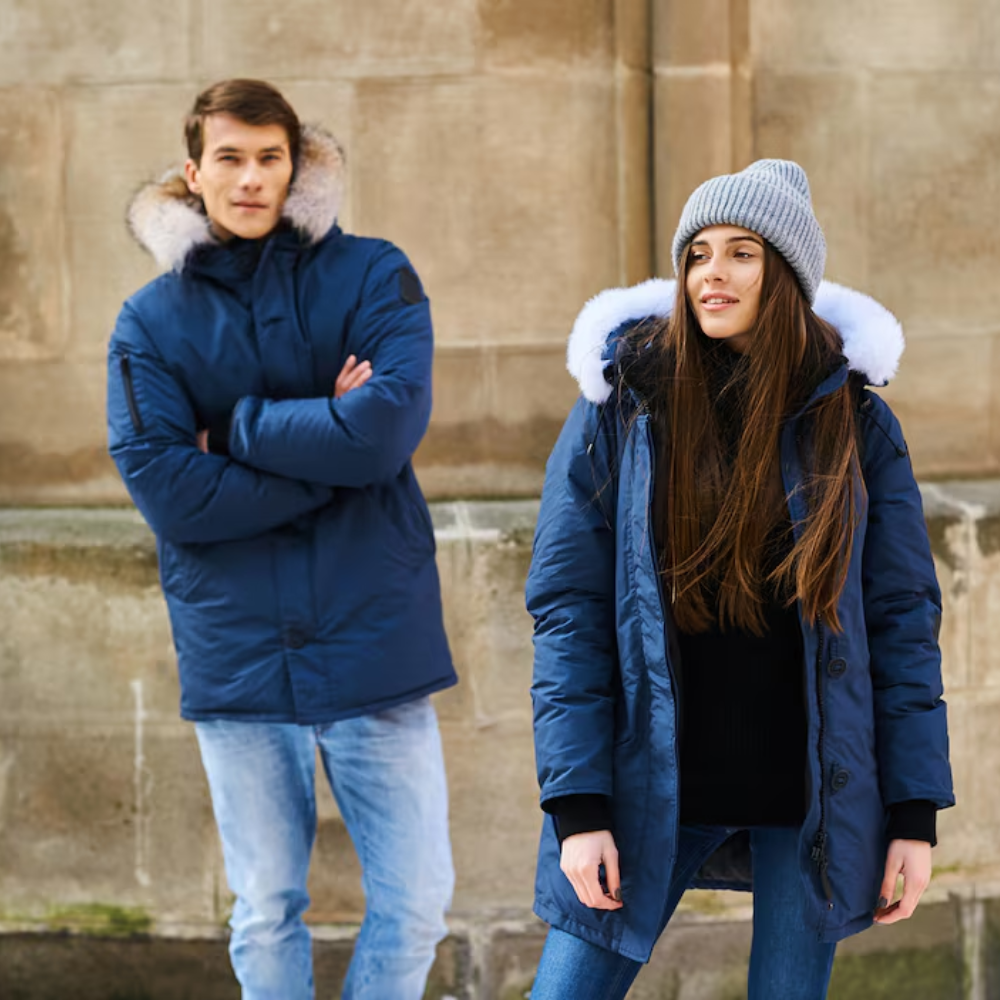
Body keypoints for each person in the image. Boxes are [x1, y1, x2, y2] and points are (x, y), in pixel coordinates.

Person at [525, 159, 953, 999]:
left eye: (742, 253)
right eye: (698, 254)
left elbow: (901, 617)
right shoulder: (625, 405)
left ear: (787, 275)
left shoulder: (853, 418)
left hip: (811, 796)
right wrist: (577, 806)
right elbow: (568, 610)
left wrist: (913, 815)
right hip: (654, 780)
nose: (712, 274)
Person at [106, 79, 456, 1000]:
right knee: (265, 907)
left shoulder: (376, 274)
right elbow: (173, 494)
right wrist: (327, 441)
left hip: (374, 633)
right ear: (194, 172)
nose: (251, 178)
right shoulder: (150, 321)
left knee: (419, 900)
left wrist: (239, 432)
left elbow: (383, 433)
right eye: (230, 157)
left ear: (297, 167)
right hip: (240, 649)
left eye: (270, 158)